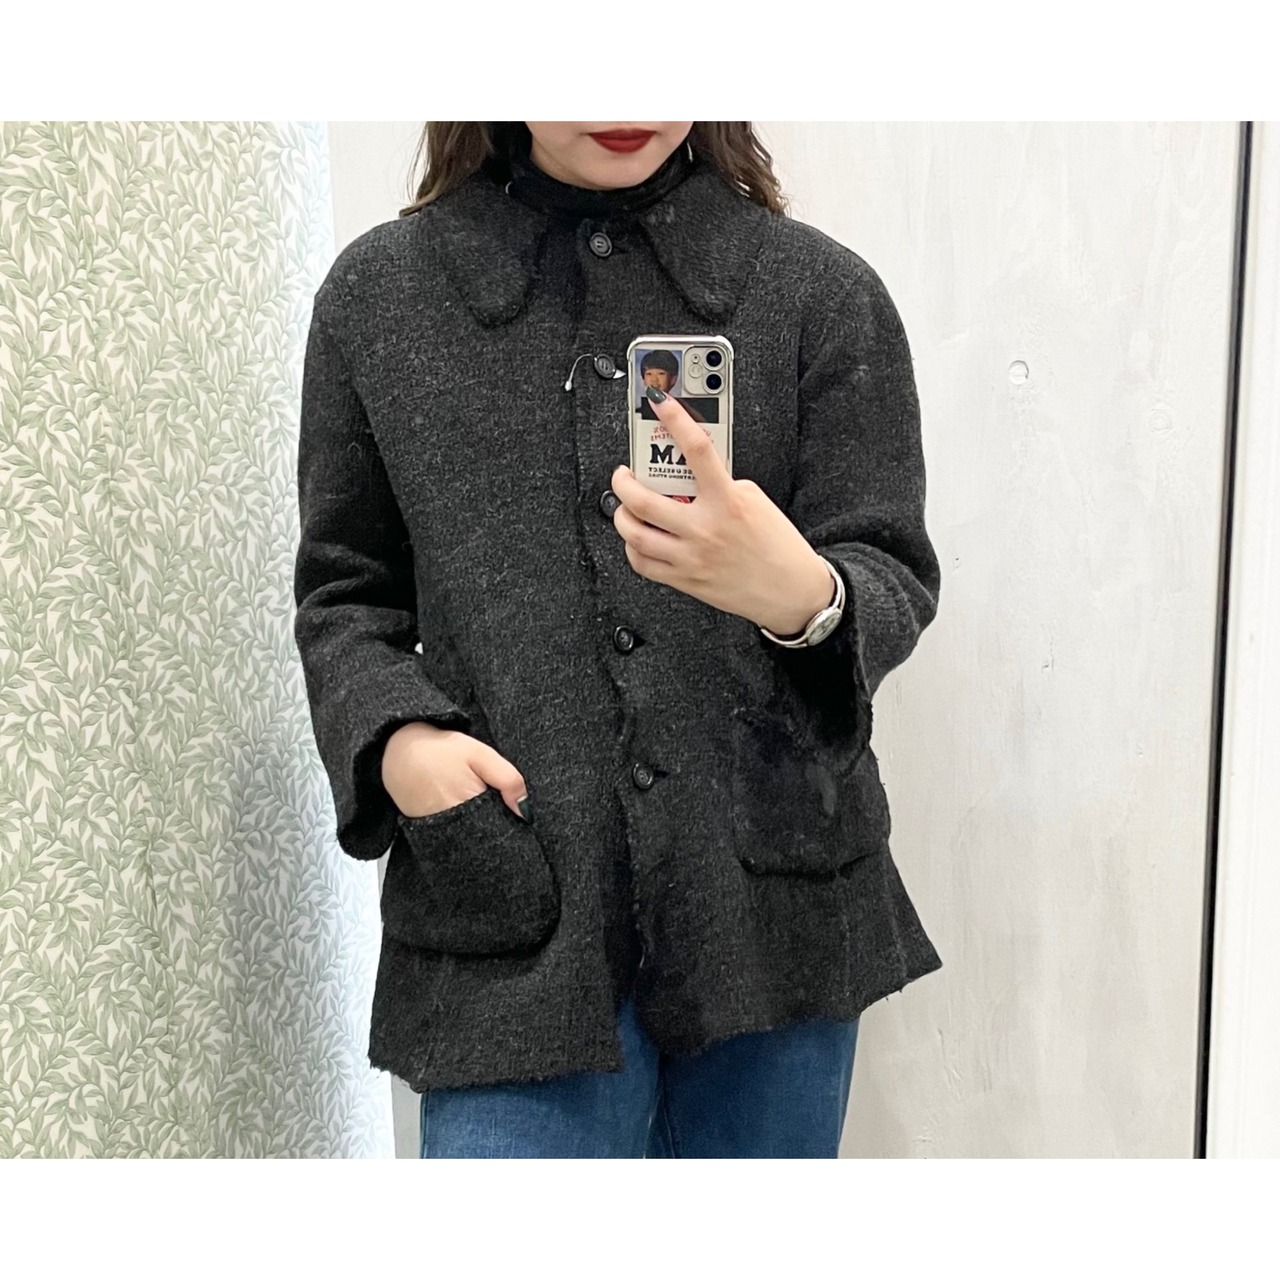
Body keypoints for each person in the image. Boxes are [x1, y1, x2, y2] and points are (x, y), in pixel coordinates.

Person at [293, 122, 943, 1158]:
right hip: (510, 915)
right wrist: (400, 745)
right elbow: (345, 594)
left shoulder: (819, 294)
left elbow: (890, 563)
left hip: (772, 915)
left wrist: (801, 596)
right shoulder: (381, 300)